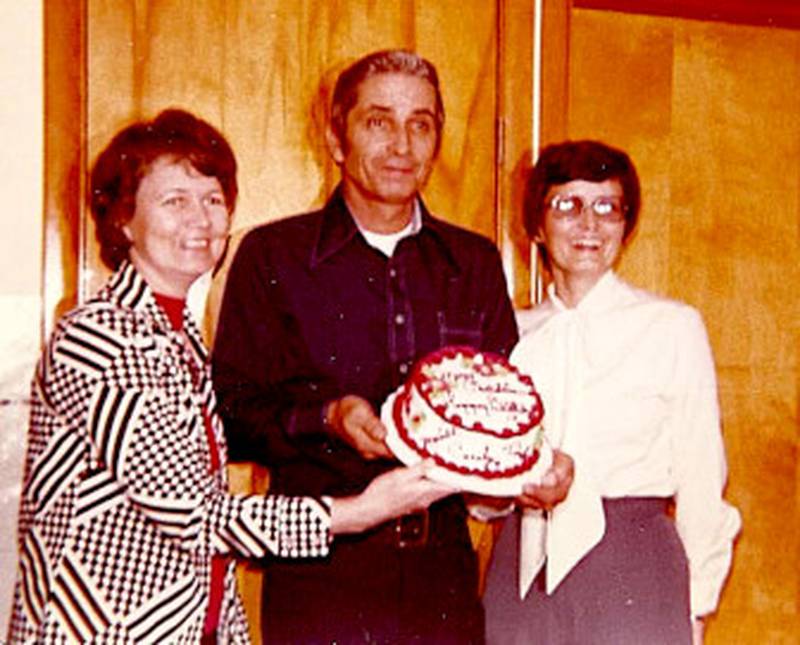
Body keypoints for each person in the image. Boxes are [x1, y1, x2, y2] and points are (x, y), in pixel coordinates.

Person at [7, 109, 456, 644]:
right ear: (123, 220)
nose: (201, 220)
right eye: (175, 201)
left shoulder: (177, 335)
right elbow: (191, 513)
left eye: (213, 200)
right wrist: (359, 512)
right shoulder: (100, 336)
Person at [212, 49, 572, 643]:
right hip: (320, 573)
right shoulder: (273, 257)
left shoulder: (473, 261)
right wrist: (328, 417)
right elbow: (230, 415)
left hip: (444, 579)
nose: (402, 144)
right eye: (378, 121)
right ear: (336, 137)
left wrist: (536, 475)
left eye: (421, 124)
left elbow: (503, 411)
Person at [483, 140, 741, 644]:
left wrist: (696, 608)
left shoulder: (672, 327)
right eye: (568, 205)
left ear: (626, 226)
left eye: (607, 207)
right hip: (525, 562)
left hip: (634, 562)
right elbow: (483, 490)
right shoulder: (508, 333)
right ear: (536, 225)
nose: (589, 224)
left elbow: (702, 477)